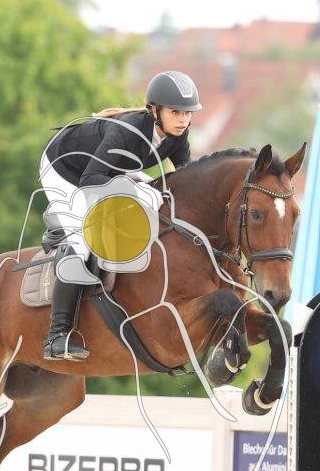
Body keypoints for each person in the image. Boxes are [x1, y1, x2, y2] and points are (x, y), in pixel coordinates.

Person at [37, 71, 201, 362]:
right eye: (175, 112)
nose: (183, 120)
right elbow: (91, 180)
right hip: (64, 168)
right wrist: (135, 194)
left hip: (108, 169)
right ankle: (57, 336)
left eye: (187, 113)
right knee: (82, 243)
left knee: (152, 195)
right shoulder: (128, 131)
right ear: (155, 111)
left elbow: (184, 182)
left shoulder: (178, 135)